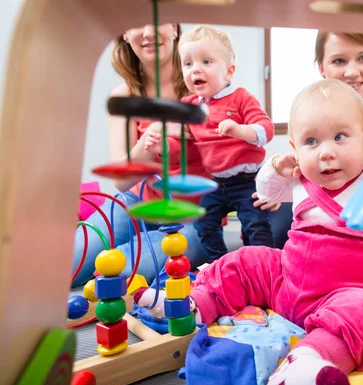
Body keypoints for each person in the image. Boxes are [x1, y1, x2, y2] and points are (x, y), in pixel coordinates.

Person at [141, 79, 363, 385]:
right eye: (312, 141)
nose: (326, 153)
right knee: (249, 258)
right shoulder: (300, 179)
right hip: (286, 284)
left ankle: (308, 362)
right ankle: (194, 304)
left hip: (342, 298)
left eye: (340, 137)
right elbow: (264, 193)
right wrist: (274, 168)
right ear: (295, 149)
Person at [71, 24, 283, 287]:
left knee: (117, 270)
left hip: (192, 214)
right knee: (70, 261)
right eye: (138, 20)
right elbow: (121, 181)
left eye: (156, 20)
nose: (148, 31)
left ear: (173, 27)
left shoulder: (206, 87)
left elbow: (245, 146)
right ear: (125, 32)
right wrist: (151, 141)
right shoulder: (124, 96)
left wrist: (268, 184)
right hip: (136, 201)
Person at [148, 25, 276, 263]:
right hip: (216, 183)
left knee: (255, 225)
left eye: (206, 62)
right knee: (204, 222)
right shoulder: (188, 105)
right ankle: (219, 264)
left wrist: (240, 130)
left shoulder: (240, 97)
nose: (195, 69)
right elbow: (183, 147)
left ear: (229, 72)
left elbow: (266, 129)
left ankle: (263, 266)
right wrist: (164, 148)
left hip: (247, 181)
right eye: (188, 64)